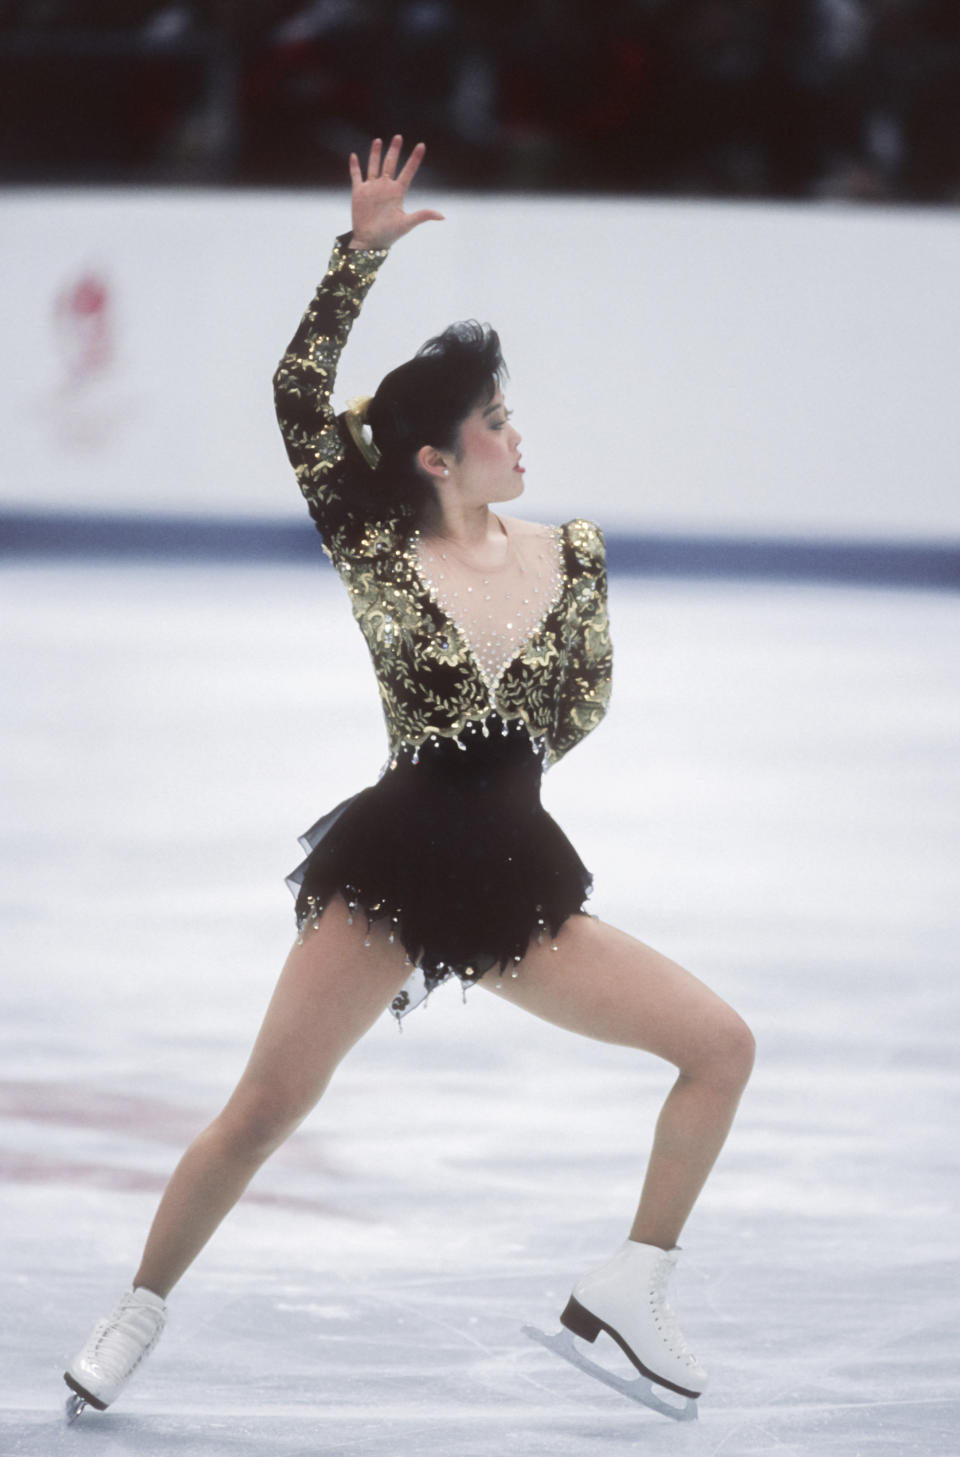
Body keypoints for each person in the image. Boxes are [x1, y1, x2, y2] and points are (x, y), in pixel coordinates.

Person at [63, 136, 754, 1421]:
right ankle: (134, 1310)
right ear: (435, 457)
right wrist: (355, 260)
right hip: (389, 864)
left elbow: (585, 702)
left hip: (513, 873)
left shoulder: (577, 557)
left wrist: (503, 780)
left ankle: (634, 1281)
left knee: (719, 1045)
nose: (513, 430)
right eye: (491, 421)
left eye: (507, 411)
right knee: (266, 1104)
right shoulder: (377, 545)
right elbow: (293, 392)